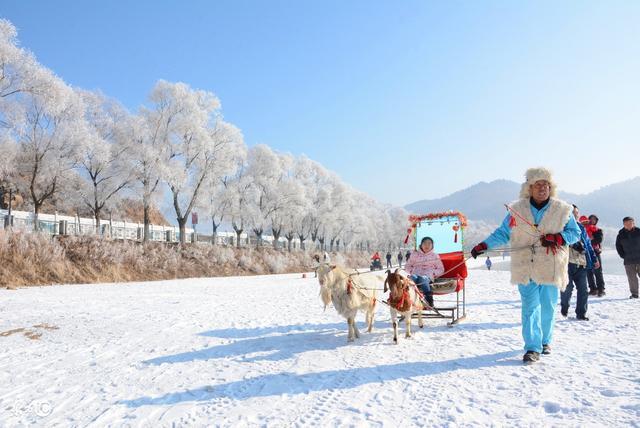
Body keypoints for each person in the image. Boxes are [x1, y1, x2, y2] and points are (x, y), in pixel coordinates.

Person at [470, 167, 580, 364]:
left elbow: (575, 233)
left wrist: (558, 237)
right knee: (530, 307)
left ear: (550, 187)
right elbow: (503, 233)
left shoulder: (563, 210)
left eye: (545, 185)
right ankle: (532, 347)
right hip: (525, 265)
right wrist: (484, 245)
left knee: (547, 306)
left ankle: (545, 341)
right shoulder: (517, 210)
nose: (542, 188)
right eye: (537, 185)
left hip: (551, 265)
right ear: (529, 188)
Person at [560, 206, 598, 320]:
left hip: (582, 263)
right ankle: (564, 307)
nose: (575, 214)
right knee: (568, 288)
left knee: (583, 290)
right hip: (567, 262)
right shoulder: (561, 227)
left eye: (576, 213)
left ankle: (581, 314)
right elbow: (560, 242)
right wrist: (574, 245)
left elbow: (588, 245)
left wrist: (594, 258)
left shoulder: (581, 227)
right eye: (572, 213)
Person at [404, 236, 444, 307]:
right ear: (421, 245)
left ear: (432, 245)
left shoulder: (435, 256)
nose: (427, 246)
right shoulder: (415, 254)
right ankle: (408, 299)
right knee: (411, 278)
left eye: (429, 244)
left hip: (427, 276)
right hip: (416, 274)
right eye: (425, 243)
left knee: (423, 279)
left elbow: (441, 269)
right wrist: (411, 271)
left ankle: (429, 300)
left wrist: (433, 273)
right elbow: (407, 266)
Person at [615, 216, 640, 299]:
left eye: (630, 223)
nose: (628, 225)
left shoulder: (638, 231)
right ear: (623, 224)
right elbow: (618, 247)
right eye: (626, 224)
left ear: (633, 223)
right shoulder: (621, 235)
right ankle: (634, 294)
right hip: (628, 260)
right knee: (632, 278)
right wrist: (623, 256)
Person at [584, 214, 606, 297]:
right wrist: (590, 239)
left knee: (598, 271)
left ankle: (601, 289)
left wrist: (590, 241)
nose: (593, 221)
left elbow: (599, 240)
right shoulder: (584, 229)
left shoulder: (598, 230)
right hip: (586, 253)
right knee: (588, 271)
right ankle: (593, 289)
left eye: (594, 219)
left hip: (595, 252)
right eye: (591, 219)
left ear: (596, 221)